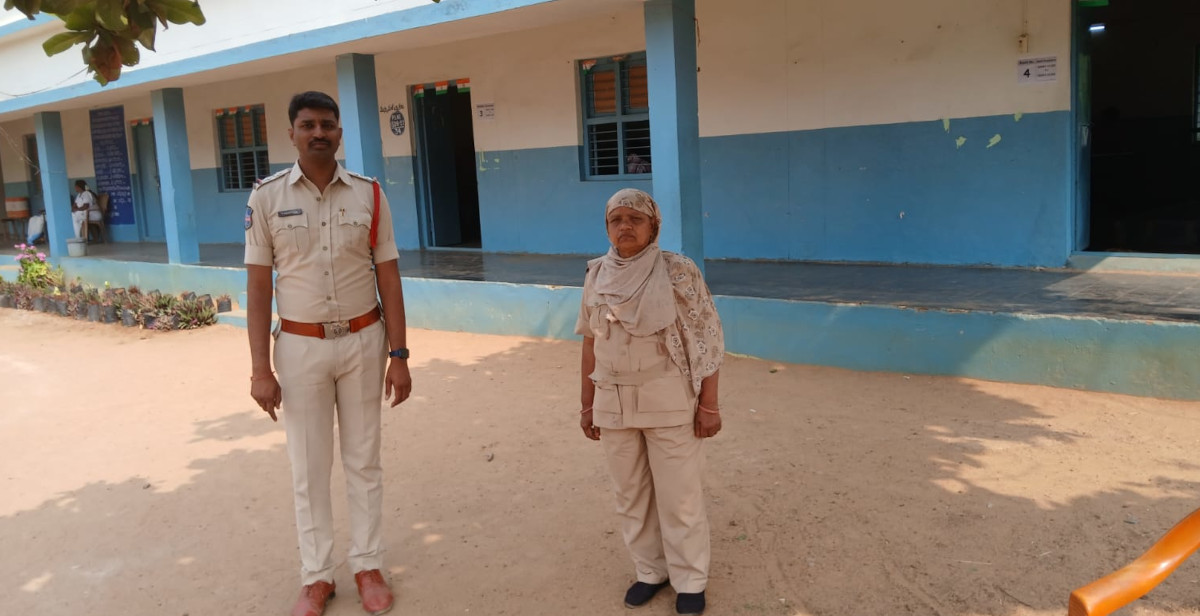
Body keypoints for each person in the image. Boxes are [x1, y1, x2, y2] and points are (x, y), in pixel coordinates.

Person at [244, 91, 413, 616]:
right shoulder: (266, 198)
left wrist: (400, 354)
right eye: (308, 124)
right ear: (291, 133)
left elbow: (389, 276)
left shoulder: (370, 194)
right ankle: (316, 576)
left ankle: (367, 565)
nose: (318, 132)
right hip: (299, 348)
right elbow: (258, 286)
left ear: (339, 133)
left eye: (327, 124)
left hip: (364, 342)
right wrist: (260, 369)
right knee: (309, 467)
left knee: (364, 461)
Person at [576, 188, 725, 615]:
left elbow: (708, 337)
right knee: (631, 494)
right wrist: (587, 404)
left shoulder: (678, 270)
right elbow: (590, 342)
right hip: (612, 399)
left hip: (668, 397)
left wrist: (709, 404)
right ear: (607, 227)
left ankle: (690, 580)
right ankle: (650, 571)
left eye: (635, 219)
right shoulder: (596, 274)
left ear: (654, 225)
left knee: (679, 496)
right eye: (616, 219)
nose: (625, 226)